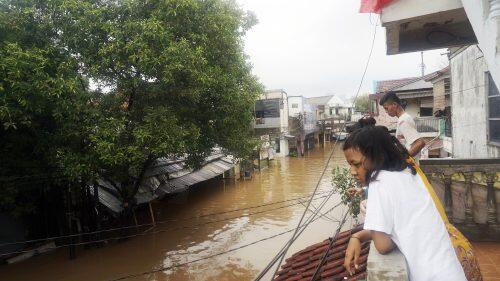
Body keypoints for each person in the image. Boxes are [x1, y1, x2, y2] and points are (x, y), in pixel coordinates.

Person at [342, 126, 466, 281]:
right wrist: (359, 236)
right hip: (450, 271)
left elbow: (383, 245)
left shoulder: (378, 182)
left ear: (376, 156)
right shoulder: (408, 173)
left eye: (356, 164)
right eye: (350, 165)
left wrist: (365, 224)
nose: (353, 171)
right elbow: (406, 227)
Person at [379, 92, 425, 159]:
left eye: (386, 108)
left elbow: (420, 143)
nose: (386, 111)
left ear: (394, 104)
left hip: (410, 166)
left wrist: (403, 159)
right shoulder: (403, 119)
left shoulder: (403, 120)